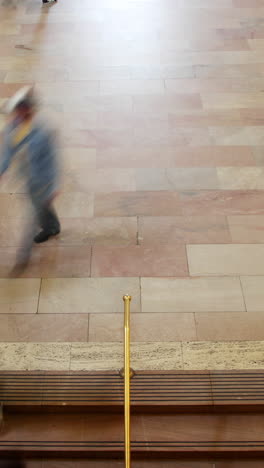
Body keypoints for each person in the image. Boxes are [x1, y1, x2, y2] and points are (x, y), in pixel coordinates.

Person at [0, 86, 60, 271]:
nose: (18, 113)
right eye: (17, 109)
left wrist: (52, 187)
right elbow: (8, 153)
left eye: (22, 108)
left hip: (43, 180)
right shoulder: (12, 128)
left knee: (32, 216)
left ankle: (23, 257)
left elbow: (52, 161)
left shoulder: (43, 131)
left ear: (30, 109)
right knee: (41, 207)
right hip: (28, 178)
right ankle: (53, 226)